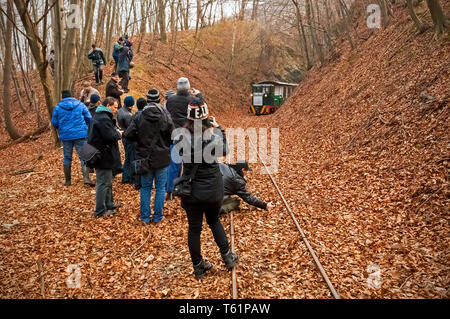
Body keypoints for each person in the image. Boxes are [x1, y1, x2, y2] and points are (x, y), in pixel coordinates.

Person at [175, 97, 238, 279]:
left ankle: (198, 266)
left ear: (188, 116)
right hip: (212, 190)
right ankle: (227, 257)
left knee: (194, 229)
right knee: (214, 221)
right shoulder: (212, 136)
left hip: (191, 190)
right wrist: (218, 129)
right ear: (205, 116)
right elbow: (225, 150)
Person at [124, 89, 174, 224]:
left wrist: (140, 140)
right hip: (162, 158)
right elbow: (173, 137)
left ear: (147, 100)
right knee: (160, 188)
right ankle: (157, 217)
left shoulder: (139, 116)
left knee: (145, 187)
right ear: (158, 100)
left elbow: (128, 135)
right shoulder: (165, 115)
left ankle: (145, 217)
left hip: (144, 158)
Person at [165, 77, 203, 200]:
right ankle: (186, 188)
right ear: (188, 87)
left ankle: (170, 191)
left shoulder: (170, 100)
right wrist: (199, 95)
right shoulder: (193, 100)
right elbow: (202, 110)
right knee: (189, 164)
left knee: (174, 165)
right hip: (189, 135)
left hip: (175, 135)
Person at [51, 90, 95, 187]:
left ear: (62, 97)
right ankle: (86, 178)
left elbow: (54, 123)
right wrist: (85, 126)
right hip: (80, 134)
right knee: (83, 156)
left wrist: (61, 128)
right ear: (72, 96)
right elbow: (89, 118)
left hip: (66, 136)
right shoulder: (80, 105)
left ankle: (68, 181)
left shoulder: (58, 108)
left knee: (67, 157)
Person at [88, 97, 122, 218]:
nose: (116, 110)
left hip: (103, 154)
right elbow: (109, 136)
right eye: (115, 107)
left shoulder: (101, 116)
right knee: (103, 183)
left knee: (107, 181)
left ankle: (109, 203)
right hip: (102, 156)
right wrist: (119, 134)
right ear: (108, 106)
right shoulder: (103, 118)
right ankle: (99, 211)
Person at [117, 96, 136, 184]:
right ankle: (129, 178)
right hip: (129, 139)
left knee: (128, 157)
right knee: (131, 158)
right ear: (131, 105)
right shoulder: (128, 115)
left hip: (124, 137)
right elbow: (131, 129)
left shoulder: (121, 110)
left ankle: (126, 177)